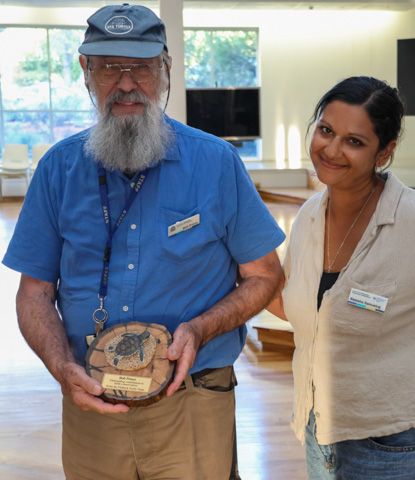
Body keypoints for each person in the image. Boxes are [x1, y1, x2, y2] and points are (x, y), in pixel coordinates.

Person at [3, 4, 285, 480]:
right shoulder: (57, 169)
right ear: (85, 71)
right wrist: (59, 366)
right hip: (91, 398)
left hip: (192, 397)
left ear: (167, 71)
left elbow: (264, 276)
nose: (127, 82)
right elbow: (34, 293)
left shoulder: (217, 164)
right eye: (110, 66)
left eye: (142, 66)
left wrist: (199, 329)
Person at [268, 76, 415, 479]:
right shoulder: (310, 216)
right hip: (320, 436)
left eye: (354, 141)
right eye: (326, 130)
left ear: (385, 152)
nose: (330, 150)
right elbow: (307, 312)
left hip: (400, 446)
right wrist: (248, 274)